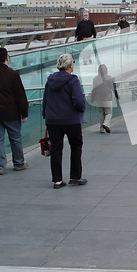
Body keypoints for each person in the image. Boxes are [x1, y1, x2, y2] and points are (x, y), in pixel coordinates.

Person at [43, 53, 87, 189]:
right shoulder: (73, 81)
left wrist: (46, 115)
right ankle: (75, 176)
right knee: (76, 146)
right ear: (69, 66)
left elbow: (46, 100)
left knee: (56, 149)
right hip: (71, 120)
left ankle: (57, 180)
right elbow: (78, 101)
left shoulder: (50, 81)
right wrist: (81, 109)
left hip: (53, 120)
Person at [0, 48, 29, 175]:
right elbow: (20, 95)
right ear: (7, 58)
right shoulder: (13, 74)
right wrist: (24, 112)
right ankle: (18, 163)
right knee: (15, 138)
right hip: (11, 112)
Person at [91, 64, 116, 134]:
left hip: (99, 98)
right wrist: (116, 95)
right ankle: (106, 124)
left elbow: (94, 90)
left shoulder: (95, 79)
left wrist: (92, 99)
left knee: (102, 113)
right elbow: (113, 88)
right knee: (109, 113)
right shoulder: (109, 78)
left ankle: (102, 128)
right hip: (108, 98)